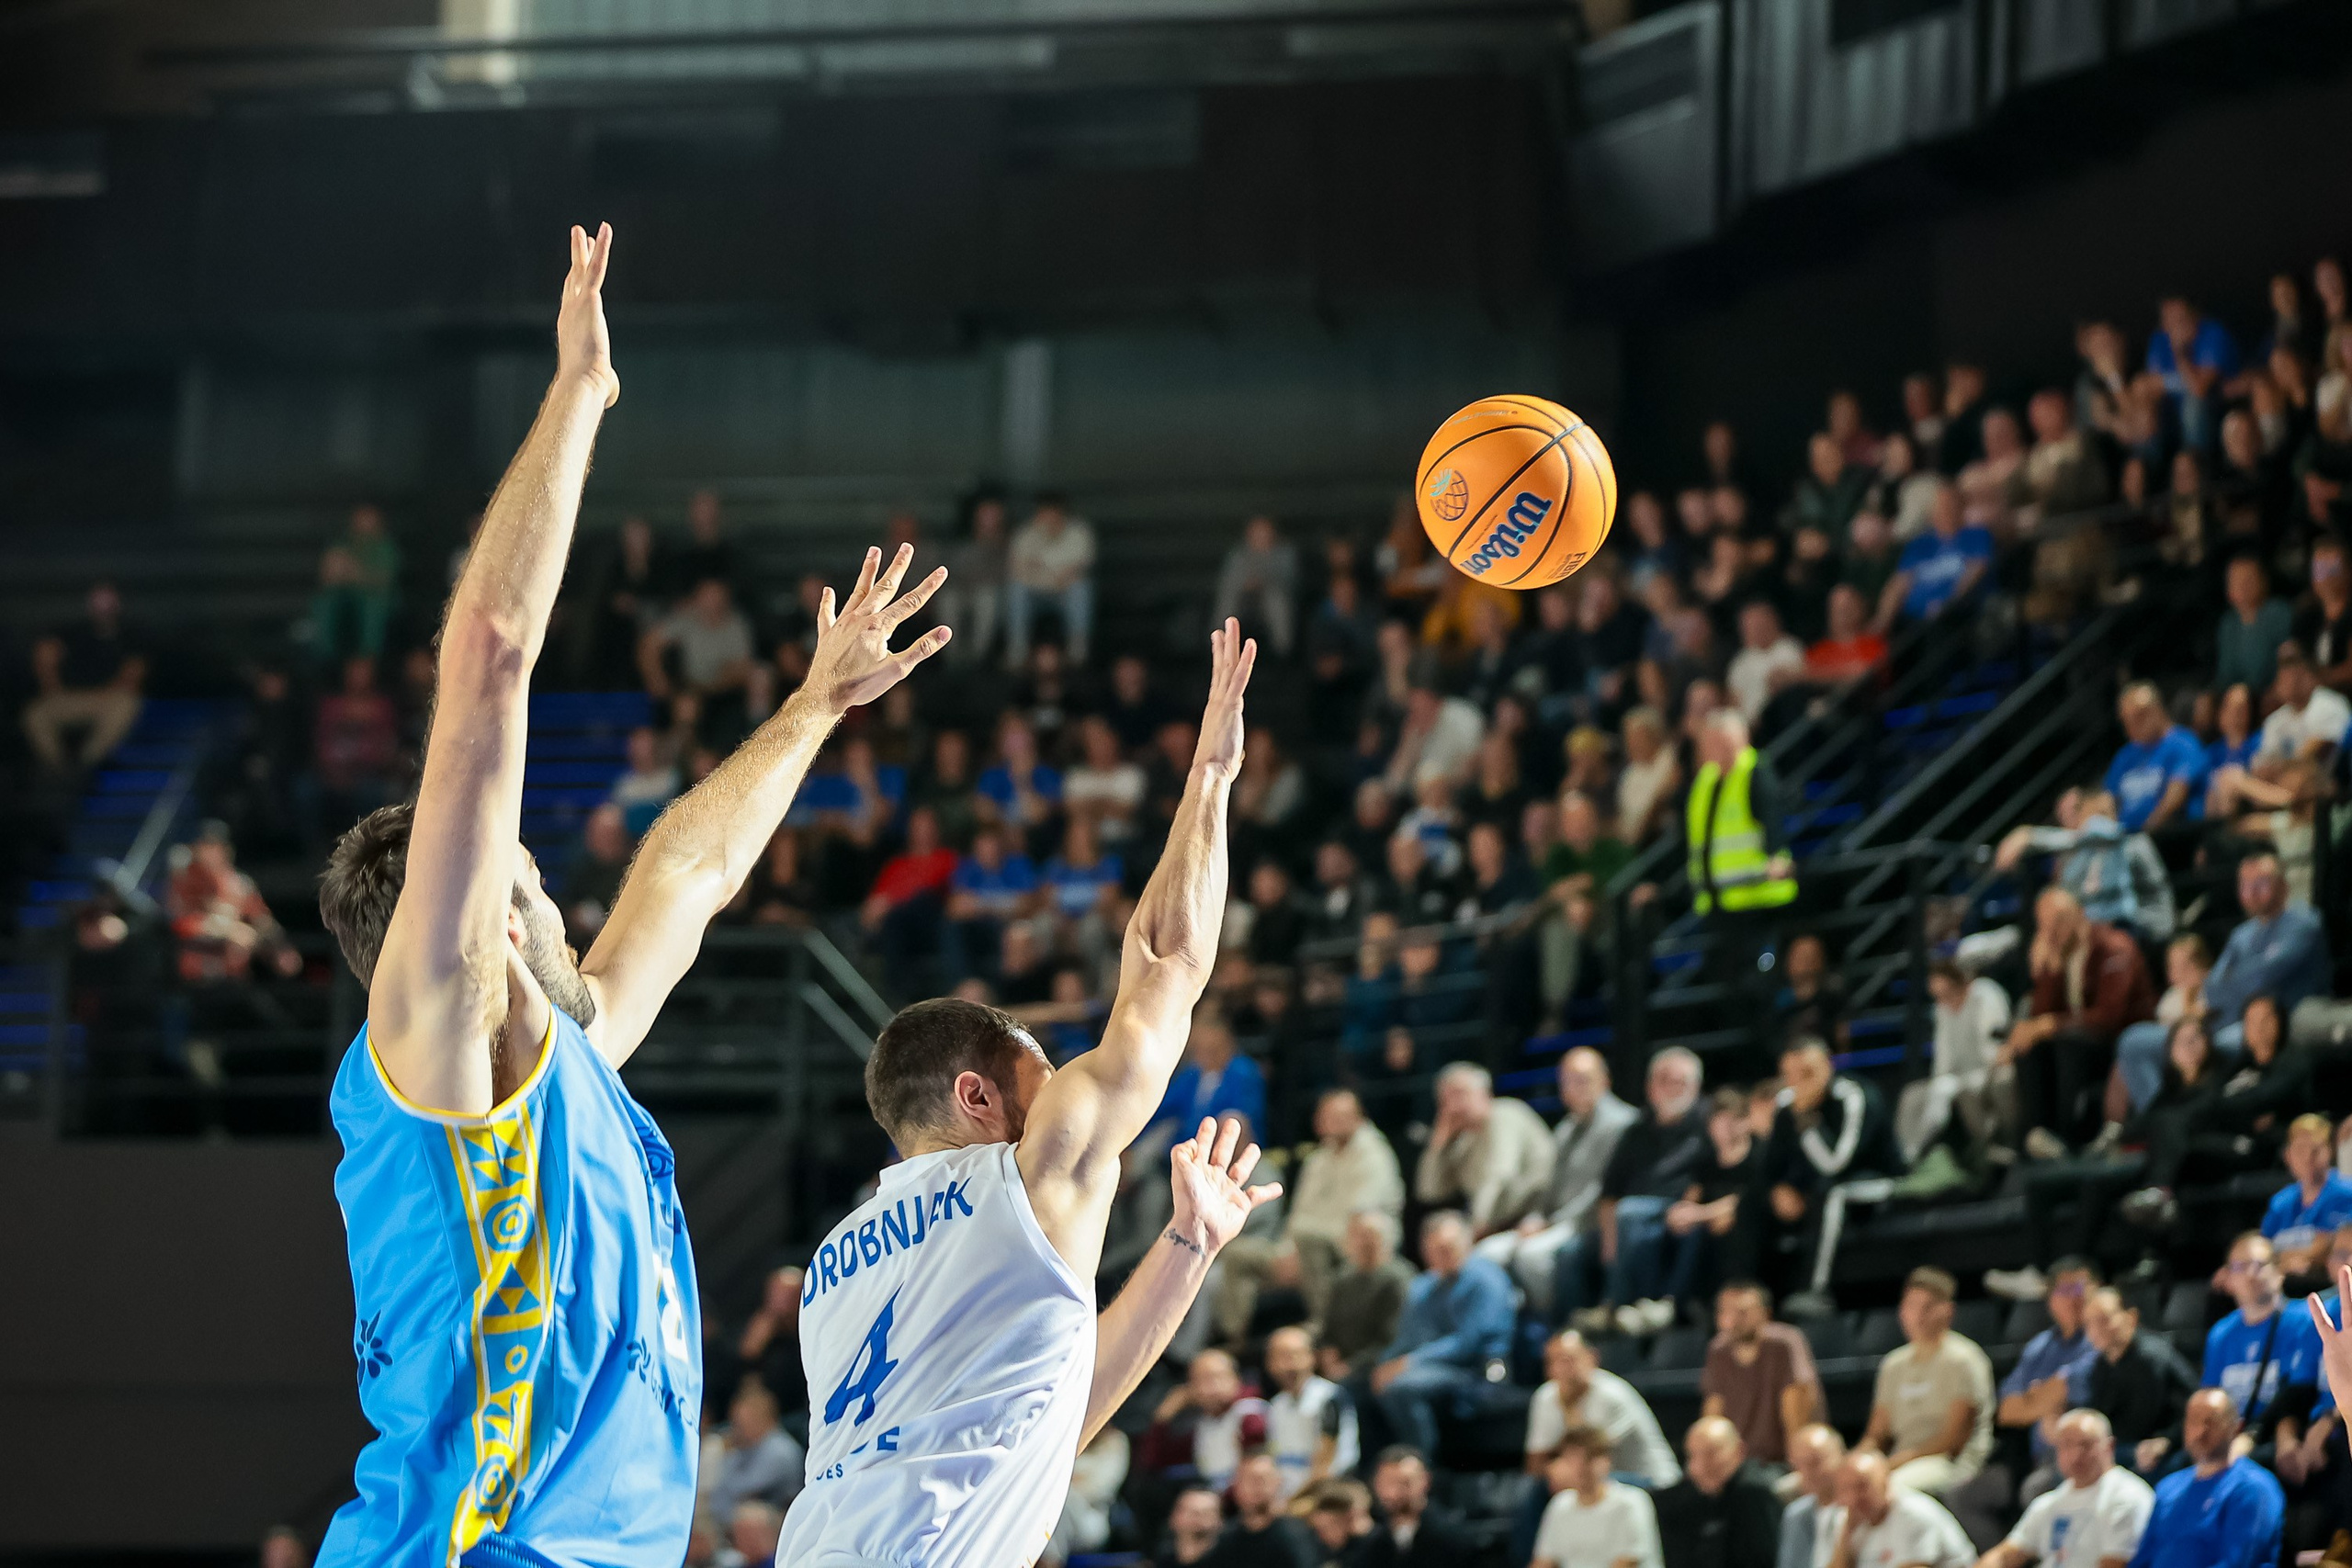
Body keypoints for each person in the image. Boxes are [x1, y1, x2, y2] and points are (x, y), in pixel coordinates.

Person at [311, 230, 955, 1568]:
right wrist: (581, 397)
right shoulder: (440, 1045)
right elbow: (489, 655)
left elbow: (693, 873)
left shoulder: (571, 1061)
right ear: (486, 911)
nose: (566, 905)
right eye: (536, 885)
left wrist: (812, 707)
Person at [775, 621, 1272, 1567]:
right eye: (1042, 1075)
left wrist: (1185, 1247)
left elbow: (1050, 1424)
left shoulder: (831, 1267)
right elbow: (1168, 964)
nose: (1061, 1093)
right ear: (978, 1097)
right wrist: (1209, 780)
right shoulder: (1027, 1178)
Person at [1214, 1089, 1403, 1343]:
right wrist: (1287, 1251)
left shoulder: (1374, 1155)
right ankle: (1236, 1339)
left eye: (1340, 1116)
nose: (1330, 1122)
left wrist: (1300, 1247)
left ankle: (1326, 1329)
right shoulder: (1317, 1159)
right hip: (1302, 1247)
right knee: (1238, 1253)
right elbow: (1298, 1215)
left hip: (1357, 1246)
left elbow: (1359, 1218)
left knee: (1309, 1239)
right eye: (1326, 1116)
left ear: (1358, 1118)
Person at [1475, 1047, 1637, 1318]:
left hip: (1588, 1222)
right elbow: (1549, 1186)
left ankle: (1554, 1324)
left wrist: (1551, 1223)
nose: (1574, 1088)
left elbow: (1605, 1189)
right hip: (1555, 1222)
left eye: (1583, 1079)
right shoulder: (1565, 1129)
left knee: (1532, 1257)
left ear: (1604, 1080)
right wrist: (1535, 1217)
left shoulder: (1622, 1123)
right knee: (1487, 1254)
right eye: (1567, 1081)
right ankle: (1513, 1324)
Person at [2006, 888, 2154, 1157]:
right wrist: (2046, 971)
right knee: (2030, 1046)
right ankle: (2039, 1134)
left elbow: (2109, 1017)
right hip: (2081, 1040)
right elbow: (2042, 1014)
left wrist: (2050, 1025)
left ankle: (2069, 1135)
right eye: (2045, 924)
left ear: (2081, 914)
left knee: (2066, 1042)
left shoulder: (2114, 946)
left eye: (2060, 920)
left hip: (2122, 1040)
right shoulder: (2061, 951)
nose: (2052, 930)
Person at [1758, 1040, 1902, 1315]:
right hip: (1819, 1182)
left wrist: (1806, 1119)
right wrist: (1779, 1189)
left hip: (1877, 1181)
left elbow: (1835, 1164)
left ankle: (1816, 1290)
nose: (1798, 1083)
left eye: (1807, 1073)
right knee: (1752, 1200)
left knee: (1830, 1192)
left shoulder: (1854, 1096)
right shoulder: (1786, 1102)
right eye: (1791, 1076)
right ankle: (1749, 1293)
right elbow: (1769, 1167)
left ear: (1829, 1066)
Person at [1364, 1211, 1515, 1457]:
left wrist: (1407, 1363)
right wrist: (1384, 1365)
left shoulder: (1486, 1280)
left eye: (1448, 1247)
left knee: (1401, 1387)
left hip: (1477, 1369)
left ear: (1467, 1243)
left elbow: (1468, 1342)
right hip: (1429, 1369)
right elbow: (1407, 1338)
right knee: (1365, 1385)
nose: (1441, 1255)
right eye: (1434, 1249)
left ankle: (1421, 1462)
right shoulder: (1422, 1286)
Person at [1856, 1266, 1995, 1497]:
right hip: (1900, 1463)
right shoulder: (1893, 1364)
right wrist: (1856, 1461)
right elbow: (1877, 1433)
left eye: (1928, 1307)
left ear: (1948, 1311)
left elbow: (1952, 1441)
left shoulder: (1964, 1359)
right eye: (1911, 1306)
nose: (1918, 1316)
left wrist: (1892, 1464)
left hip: (1950, 1464)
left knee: (1892, 1490)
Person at [2118, 1391, 2281, 1568]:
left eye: (2212, 1422)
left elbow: (2238, 1562)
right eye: (2194, 1421)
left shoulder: (2253, 1488)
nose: (2201, 1431)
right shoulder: (2168, 1486)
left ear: (2237, 1427)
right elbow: (2143, 1559)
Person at [1974, 1409, 2152, 1568]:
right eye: (2066, 1444)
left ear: (2109, 1446)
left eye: (2086, 1444)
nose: (2075, 1455)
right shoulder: (2049, 1502)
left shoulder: (2126, 1497)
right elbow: (2005, 1556)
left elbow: (2115, 1563)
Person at [1989, 1258, 2101, 1496]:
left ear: (2097, 1289)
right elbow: (2007, 1410)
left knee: (2036, 1490)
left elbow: (2066, 1389)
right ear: (2050, 1299)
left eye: (2080, 1288)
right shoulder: (2038, 1347)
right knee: (1968, 1494)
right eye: (2064, 1290)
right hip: (2037, 1459)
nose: (2073, 1298)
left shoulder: (2101, 1338)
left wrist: (2034, 1398)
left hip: (2088, 1455)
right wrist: (2048, 1403)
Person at [1525, 1329, 1683, 1490]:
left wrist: (1569, 1408)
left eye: (1567, 1360)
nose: (1560, 1369)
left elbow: (1591, 1458)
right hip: (1600, 1482)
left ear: (1592, 1358)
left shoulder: (1613, 1395)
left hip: (1650, 1483)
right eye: (1552, 1362)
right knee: (1539, 1489)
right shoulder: (1545, 1396)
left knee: (1583, 1479)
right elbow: (1535, 1465)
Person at [2200, 852, 2328, 1050]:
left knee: (2216, 1046)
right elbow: (2212, 986)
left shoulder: (2304, 922)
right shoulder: (2240, 934)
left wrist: (2233, 980)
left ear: (2283, 886)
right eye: (2244, 885)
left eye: (2261, 883)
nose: (2251, 893)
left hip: (2292, 1016)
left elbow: (2262, 979)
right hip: (2239, 1019)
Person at [2199, 1231, 2321, 1436]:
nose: (2251, 1274)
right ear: (2227, 1279)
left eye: (2260, 1265)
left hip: (2279, 1437)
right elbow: (2209, 1395)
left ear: (2279, 1271)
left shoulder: (2305, 1320)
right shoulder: (2220, 1333)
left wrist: (2252, 1438)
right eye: (2240, 1267)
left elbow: (2298, 1394)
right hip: (2229, 1439)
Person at [1412, 1062, 1555, 1236]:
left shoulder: (1505, 1114)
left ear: (1483, 1093)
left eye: (1460, 1094)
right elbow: (1429, 1192)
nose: (1453, 1106)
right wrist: (1438, 1144)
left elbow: (1501, 1176)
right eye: (1445, 1100)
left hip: (1540, 1212)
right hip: (1500, 1224)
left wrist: (1475, 1229)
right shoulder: (1464, 1142)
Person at [22, 580, 146, 773]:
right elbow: (45, 653)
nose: (103, 608)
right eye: (98, 601)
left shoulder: (132, 636)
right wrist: (52, 688)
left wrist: (108, 693)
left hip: (107, 699)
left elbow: (133, 674)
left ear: (118, 604)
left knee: (127, 704)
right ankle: (57, 770)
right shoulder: (72, 632)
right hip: (68, 698)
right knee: (35, 714)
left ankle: (87, 764)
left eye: (108, 601)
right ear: (89, 604)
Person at [1702, 1280, 1822, 1468]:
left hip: (1779, 1462)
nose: (1733, 1320)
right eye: (1725, 1312)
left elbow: (1795, 1408)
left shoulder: (1784, 1344)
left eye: (1742, 1312)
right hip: (1735, 1465)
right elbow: (1712, 1414)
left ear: (1766, 1313)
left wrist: (1797, 1466)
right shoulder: (1718, 1350)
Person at [2078, 1287, 2198, 1473]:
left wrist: (2167, 1440)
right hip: (2126, 1447)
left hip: (2167, 1446)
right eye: (2089, 1323)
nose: (2096, 1330)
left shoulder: (2153, 1358)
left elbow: (2190, 1407)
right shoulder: (2101, 1365)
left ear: (2131, 1317)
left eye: (2104, 1320)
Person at [1657, 1416, 1782, 1568]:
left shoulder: (1754, 1494)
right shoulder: (1688, 1497)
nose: (1700, 1467)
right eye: (1693, 1456)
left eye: (1710, 1454)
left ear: (1739, 1451)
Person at [1530, 1425, 1663, 1568]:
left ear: (1606, 1461)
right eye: (1572, 1459)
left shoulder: (1632, 1502)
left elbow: (1626, 1563)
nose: (1580, 1467)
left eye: (1588, 1458)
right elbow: (1543, 1562)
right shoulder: (1560, 1504)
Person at [1142, 1348, 1269, 1495]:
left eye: (1216, 1377)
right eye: (1199, 1380)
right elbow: (1155, 1461)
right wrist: (1162, 1417)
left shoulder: (1251, 1412)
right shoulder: (1203, 1422)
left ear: (1236, 1378)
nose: (1210, 1387)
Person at [1822, 1450, 1974, 1568]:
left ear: (1885, 1482)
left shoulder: (1913, 1513)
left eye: (1862, 1486)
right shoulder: (1853, 1521)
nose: (1853, 1497)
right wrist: (1845, 1536)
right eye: (1845, 1489)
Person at [1877, 481, 1993, 631]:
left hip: (1958, 616)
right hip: (1914, 621)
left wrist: (1949, 602)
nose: (1946, 511)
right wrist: (1881, 623)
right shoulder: (1919, 544)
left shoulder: (1976, 535)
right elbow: (1899, 583)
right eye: (1941, 506)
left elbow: (1977, 569)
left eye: (1951, 505)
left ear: (1962, 509)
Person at [1262, 1326, 1358, 1502]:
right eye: (1283, 1356)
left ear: (1312, 1357)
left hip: (1327, 1495)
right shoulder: (1276, 1406)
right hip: (1285, 1498)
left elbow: (1326, 1466)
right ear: (1269, 1363)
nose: (1291, 1364)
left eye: (1297, 1354)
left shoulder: (1329, 1398)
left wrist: (1292, 1503)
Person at [1321, 1212, 1415, 1385]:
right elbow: (1329, 1328)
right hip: (1340, 1363)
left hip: (1376, 1364)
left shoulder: (1398, 1279)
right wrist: (1328, 1354)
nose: (1364, 1242)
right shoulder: (1343, 1278)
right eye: (1359, 1236)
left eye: (1371, 1236)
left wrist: (1349, 1367)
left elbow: (1391, 1339)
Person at [1007, 492, 1097, 664]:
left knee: (1081, 589)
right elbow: (1018, 569)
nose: (1047, 518)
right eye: (1043, 513)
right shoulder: (1026, 534)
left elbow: (1079, 569)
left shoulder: (1079, 533)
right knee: (1016, 590)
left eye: (1051, 512)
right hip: (1034, 594)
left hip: (1065, 594)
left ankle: (1078, 650)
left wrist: (1045, 571)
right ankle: (1017, 651)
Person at [2103, 684, 2206, 834]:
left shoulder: (2184, 743)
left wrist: (2145, 832)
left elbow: (2176, 796)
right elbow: (2107, 799)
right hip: (2126, 840)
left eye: (2139, 716)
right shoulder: (2125, 755)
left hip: (2169, 836)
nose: (2131, 726)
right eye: (2126, 719)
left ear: (2157, 710)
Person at [701, 1378, 806, 1523]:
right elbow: (719, 1492)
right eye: (735, 1422)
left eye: (742, 1422)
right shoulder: (742, 1450)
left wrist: (724, 1453)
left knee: (749, 1515)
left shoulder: (780, 1449)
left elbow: (744, 1488)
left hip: (781, 1522)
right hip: (737, 1523)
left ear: (763, 1418)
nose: (736, 1429)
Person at [2266, 1114, 2352, 1284]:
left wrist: (2289, 1258)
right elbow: (2265, 1248)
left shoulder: (2347, 1192)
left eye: (2315, 1150)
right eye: (2300, 1150)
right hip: (2285, 1280)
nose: (2308, 1158)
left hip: (2330, 1281)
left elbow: (2338, 1244)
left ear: (2330, 1151)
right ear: (2287, 1155)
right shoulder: (2280, 1202)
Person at [1361, 1447, 1473, 1568]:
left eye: (1404, 1483)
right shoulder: (1371, 1542)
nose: (1392, 1493)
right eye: (1386, 1483)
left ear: (1425, 1481)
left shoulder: (1451, 1537)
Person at [1204, 1453, 1318, 1568]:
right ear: (1235, 1486)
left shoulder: (1298, 1536)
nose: (1257, 1486)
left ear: (1279, 1482)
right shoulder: (1224, 1540)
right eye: (1249, 1479)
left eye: (1263, 1479)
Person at [1216, 514, 1301, 659]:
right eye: (1256, 531)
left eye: (1264, 531)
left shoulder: (1285, 554)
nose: (1260, 535)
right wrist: (1247, 585)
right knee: (1228, 600)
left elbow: (1292, 582)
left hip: (1274, 600)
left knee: (1276, 601)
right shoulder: (1238, 555)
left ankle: (1282, 651)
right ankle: (1219, 645)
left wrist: (1265, 583)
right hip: (1244, 601)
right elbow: (1228, 582)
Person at [2215, 558, 2295, 697]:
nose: (2243, 586)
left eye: (2248, 579)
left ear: (2263, 582)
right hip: (2239, 697)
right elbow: (2226, 674)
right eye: (2237, 581)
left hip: (2273, 693)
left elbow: (2287, 659)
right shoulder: (2228, 624)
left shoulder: (2277, 613)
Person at [1778, 1426, 1846, 1568]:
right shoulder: (1795, 1515)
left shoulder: (1859, 1510)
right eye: (1800, 1465)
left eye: (1816, 1462)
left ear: (1841, 1456)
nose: (1808, 1472)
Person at [1160, 1486, 1227, 1567]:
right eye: (1190, 1512)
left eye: (1206, 1513)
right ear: (1173, 1517)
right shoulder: (1163, 1558)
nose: (1197, 1519)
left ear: (1220, 1521)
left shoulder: (1232, 1559)